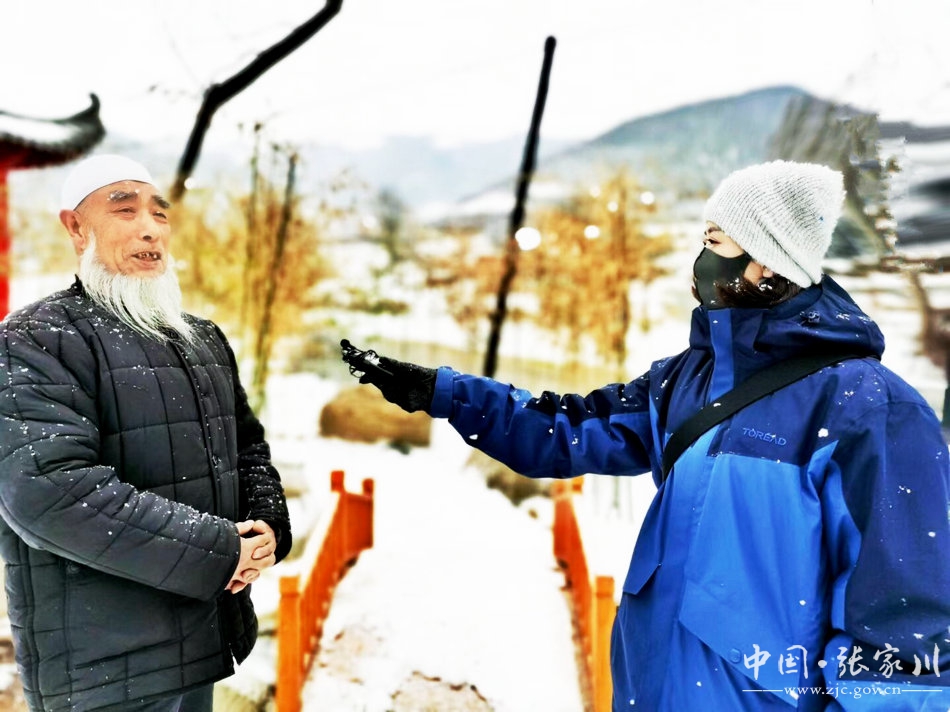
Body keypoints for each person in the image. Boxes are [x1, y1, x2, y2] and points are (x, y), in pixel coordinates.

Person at [342, 160, 950, 710]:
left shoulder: (869, 409)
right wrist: (443, 392)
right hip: (649, 690)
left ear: (767, 259)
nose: (700, 260)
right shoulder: (689, 378)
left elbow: (907, 631)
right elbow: (568, 428)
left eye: (714, 241)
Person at [0, 154, 293, 712]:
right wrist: (221, 552)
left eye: (159, 213)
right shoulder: (36, 338)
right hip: (103, 672)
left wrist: (267, 527)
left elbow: (248, 447)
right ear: (75, 227)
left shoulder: (201, 338)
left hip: (203, 643)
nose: (150, 228)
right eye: (125, 210)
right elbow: (48, 490)